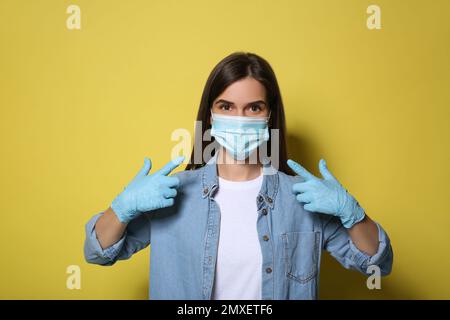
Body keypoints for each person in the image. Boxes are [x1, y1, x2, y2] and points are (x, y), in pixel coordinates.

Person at [84, 52, 393, 300]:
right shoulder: (169, 194)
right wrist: (122, 206)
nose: (239, 119)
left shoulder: (305, 198)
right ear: (210, 114)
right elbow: (97, 251)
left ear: (270, 115)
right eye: (226, 106)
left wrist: (352, 213)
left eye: (254, 108)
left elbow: (377, 262)